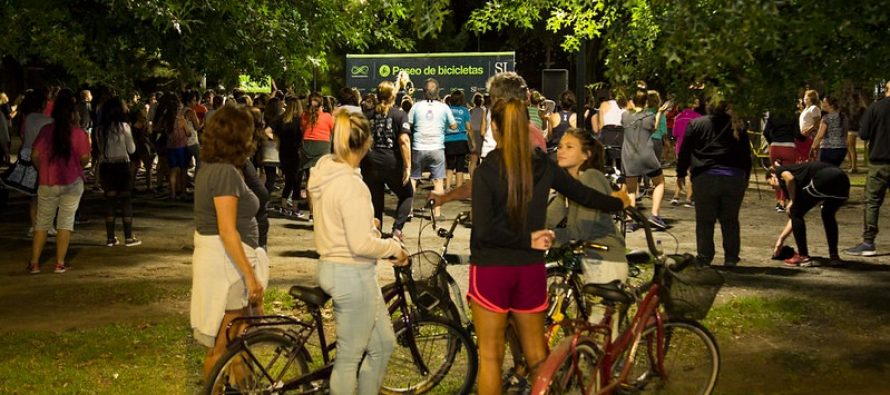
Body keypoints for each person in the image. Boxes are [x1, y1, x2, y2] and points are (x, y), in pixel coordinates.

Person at [470, 99, 629, 395]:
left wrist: (524, 238)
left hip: (491, 270)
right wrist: (617, 200)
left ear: (494, 127)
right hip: (530, 269)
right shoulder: (544, 166)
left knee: (490, 357)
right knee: (536, 355)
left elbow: (484, 230)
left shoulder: (486, 171)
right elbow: (584, 194)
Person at [308, 111, 409, 395]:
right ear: (367, 143)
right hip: (351, 274)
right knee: (349, 358)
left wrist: (368, 224)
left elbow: (337, 221)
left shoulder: (326, 171)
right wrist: (394, 248)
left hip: (339, 268)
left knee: (383, 344)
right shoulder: (352, 185)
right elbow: (361, 245)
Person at [191, 105, 269, 379]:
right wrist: (250, 276)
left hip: (225, 263)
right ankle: (217, 386)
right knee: (222, 346)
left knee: (236, 339)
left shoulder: (212, 168)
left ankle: (240, 382)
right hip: (228, 268)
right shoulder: (224, 173)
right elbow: (226, 230)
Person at [677, 97, 751, 266]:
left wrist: (680, 173)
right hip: (734, 177)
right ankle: (731, 258)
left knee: (704, 220)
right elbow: (746, 156)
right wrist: (745, 177)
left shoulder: (697, 124)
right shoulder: (738, 126)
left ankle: (704, 257)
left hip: (705, 177)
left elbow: (685, 151)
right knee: (730, 220)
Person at [547, 129, 627, 282]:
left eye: (569, 147)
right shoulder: (569, 186)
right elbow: (549, 217)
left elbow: (582, 229)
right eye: (560, 146)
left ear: (586, 155)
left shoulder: (591, 177)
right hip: (588, 258)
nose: (561, 151)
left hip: (606, 259)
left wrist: (551, 236)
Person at [27, 89, 91, 274]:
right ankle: (60, 263)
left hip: (47, 182)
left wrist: (43, 169)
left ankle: (34, 263)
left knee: (42, 223)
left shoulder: (46, 131)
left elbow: (35, 156)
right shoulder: (79, 134)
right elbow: (85, 159)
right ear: (73, 113)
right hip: (71, 182)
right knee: (65, 222)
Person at [361, 81, 413, 241]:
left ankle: (376, 232)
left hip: (370, 162)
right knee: (407, 194)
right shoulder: (399, 114)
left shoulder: (367, 116)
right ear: (393, 96)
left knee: (376, 200)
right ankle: (397, 230)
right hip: (391, 161)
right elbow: (404, 141)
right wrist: (408, 165)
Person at [770, 162, 849, 267]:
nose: (772, 188)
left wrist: (793, 201)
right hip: (843, 180)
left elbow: (790, 179)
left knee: (795, 210)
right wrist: (781, 239)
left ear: (772, 176)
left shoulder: (779, 171)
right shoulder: (790, 187)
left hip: (824, 177)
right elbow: (794, 218)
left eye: (770, 183)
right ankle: (834, 257)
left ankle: (803, 256)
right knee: (827, 213)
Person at [846, 81, 890, 257]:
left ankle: (868, 241)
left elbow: (863, 134)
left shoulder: (875, 108)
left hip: (879, 161)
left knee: (872, 202)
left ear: (886, 90)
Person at [407, 78, 456, 219]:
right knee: (438, 181)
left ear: (423, 92)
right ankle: (437, 213)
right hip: (437, 148)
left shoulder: (416, 106)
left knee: (414, 179)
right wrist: (443, 126)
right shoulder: (444, 107)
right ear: (438, 92)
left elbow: (409, 123)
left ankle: (408, 211)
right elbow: (454, 126)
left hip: (418, 147)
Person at [96, 97, 140, 247]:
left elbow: (98, 150)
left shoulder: (100, 129)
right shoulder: (124, 127)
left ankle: (110, 238)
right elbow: (132, 149)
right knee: (126, 199)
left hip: (106, 166)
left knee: (110, 200)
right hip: (122, 165)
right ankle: (128, 237)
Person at [621, 90, 667, 230]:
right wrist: (659, 113)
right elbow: (653, 129)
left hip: (629, 155)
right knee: (659, 182)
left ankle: (630, 220)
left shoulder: (625, 116)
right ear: (646, 102)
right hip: (646, 154)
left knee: (631, 189)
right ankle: (655, 215)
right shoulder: (650, 115)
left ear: (633, 101)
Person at [763, 106, 802, 212]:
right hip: (789, 147)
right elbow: (797, 134)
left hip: (775, 147)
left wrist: (772, 141)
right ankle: (783, 200)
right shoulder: (794, 115)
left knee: (776, 173)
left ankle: (778, 202)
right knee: (787, 175)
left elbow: (766, 132)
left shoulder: (773, 114)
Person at [300, 92, 335, 211]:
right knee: (322, 181)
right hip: (322, 146)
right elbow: (333, 132)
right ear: (322, 104)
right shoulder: (328, 117)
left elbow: (303, 128)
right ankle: (321, 209)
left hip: (307, 146)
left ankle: (312, 212)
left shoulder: (304, 115)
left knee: (310, 180)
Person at [273, 96, 305, 218]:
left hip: (284, 152)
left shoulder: (281, 119)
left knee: (288, 180)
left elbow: (268, 131)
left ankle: (284, 204)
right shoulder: (300, 121)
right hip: (296, 152)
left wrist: (277, 141)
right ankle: (295, 207)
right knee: (296, 181)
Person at [670, 98, 702, 207]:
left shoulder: (678, 117)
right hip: (694, 148)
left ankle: (676, 196)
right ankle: (689, 199)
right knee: (691, 173)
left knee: (681, 172)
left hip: (680, 147)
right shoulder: (698, 117)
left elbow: (675, 134)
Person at [445, 89, 473, 191]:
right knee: (460, 165)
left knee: (449, 165)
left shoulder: (446, 110)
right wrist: (473, 142)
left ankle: (447, 187)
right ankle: (459, 188)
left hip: (448, 140)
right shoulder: (465, 111)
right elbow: (469, 128)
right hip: (461, 140)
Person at [810, 95, 848, 166]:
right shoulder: (843, 117)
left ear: (831, 105)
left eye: (824, 102)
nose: (822, 104)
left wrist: (812, 148)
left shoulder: (826, 118)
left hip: (828, 149)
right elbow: (845, 133)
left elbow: (820, 135)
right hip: (841, 148)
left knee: (825, 171)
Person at [592, 89, 625, 171]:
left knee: (606, 160)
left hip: (607, 134)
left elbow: (601, 125)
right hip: (621, 135)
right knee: (620, 162)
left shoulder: (604, 105)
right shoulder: (626, 105)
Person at [546, 90, 577, 154]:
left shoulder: (553, 117)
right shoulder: (576, 117)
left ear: (560, 102)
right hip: (570, 152)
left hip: (555, 152)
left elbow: (549, 136)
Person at [797, 89, 821, 162]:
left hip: (810, 135)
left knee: (811, 154)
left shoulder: (814, 108)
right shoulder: (806, 108)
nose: (804, 99)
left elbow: (817, 122)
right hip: (804, 135)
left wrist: (808, 130)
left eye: (805, 98)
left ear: (810, 99)